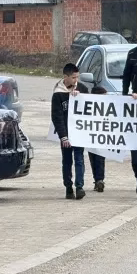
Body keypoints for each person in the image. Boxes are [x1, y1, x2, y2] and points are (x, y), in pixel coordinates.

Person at [51, 63, 87, 200]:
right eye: (73, 77)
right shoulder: (58, 93)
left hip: (79, 132)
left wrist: (80, 97)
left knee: (79, 159)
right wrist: (63, 136)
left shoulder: (82, 88)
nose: (76, 80)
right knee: (67, 161)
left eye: (77, 77)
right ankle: (68, 187)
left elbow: (91, 107)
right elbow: (57, 117)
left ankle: (79, 187)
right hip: (66, 133)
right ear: (65, 77)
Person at [89, 87, 108, 192]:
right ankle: (98, 180)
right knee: (95, 158)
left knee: (99, 157)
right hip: (91, 135)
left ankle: (99, 180)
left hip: (102, 135)